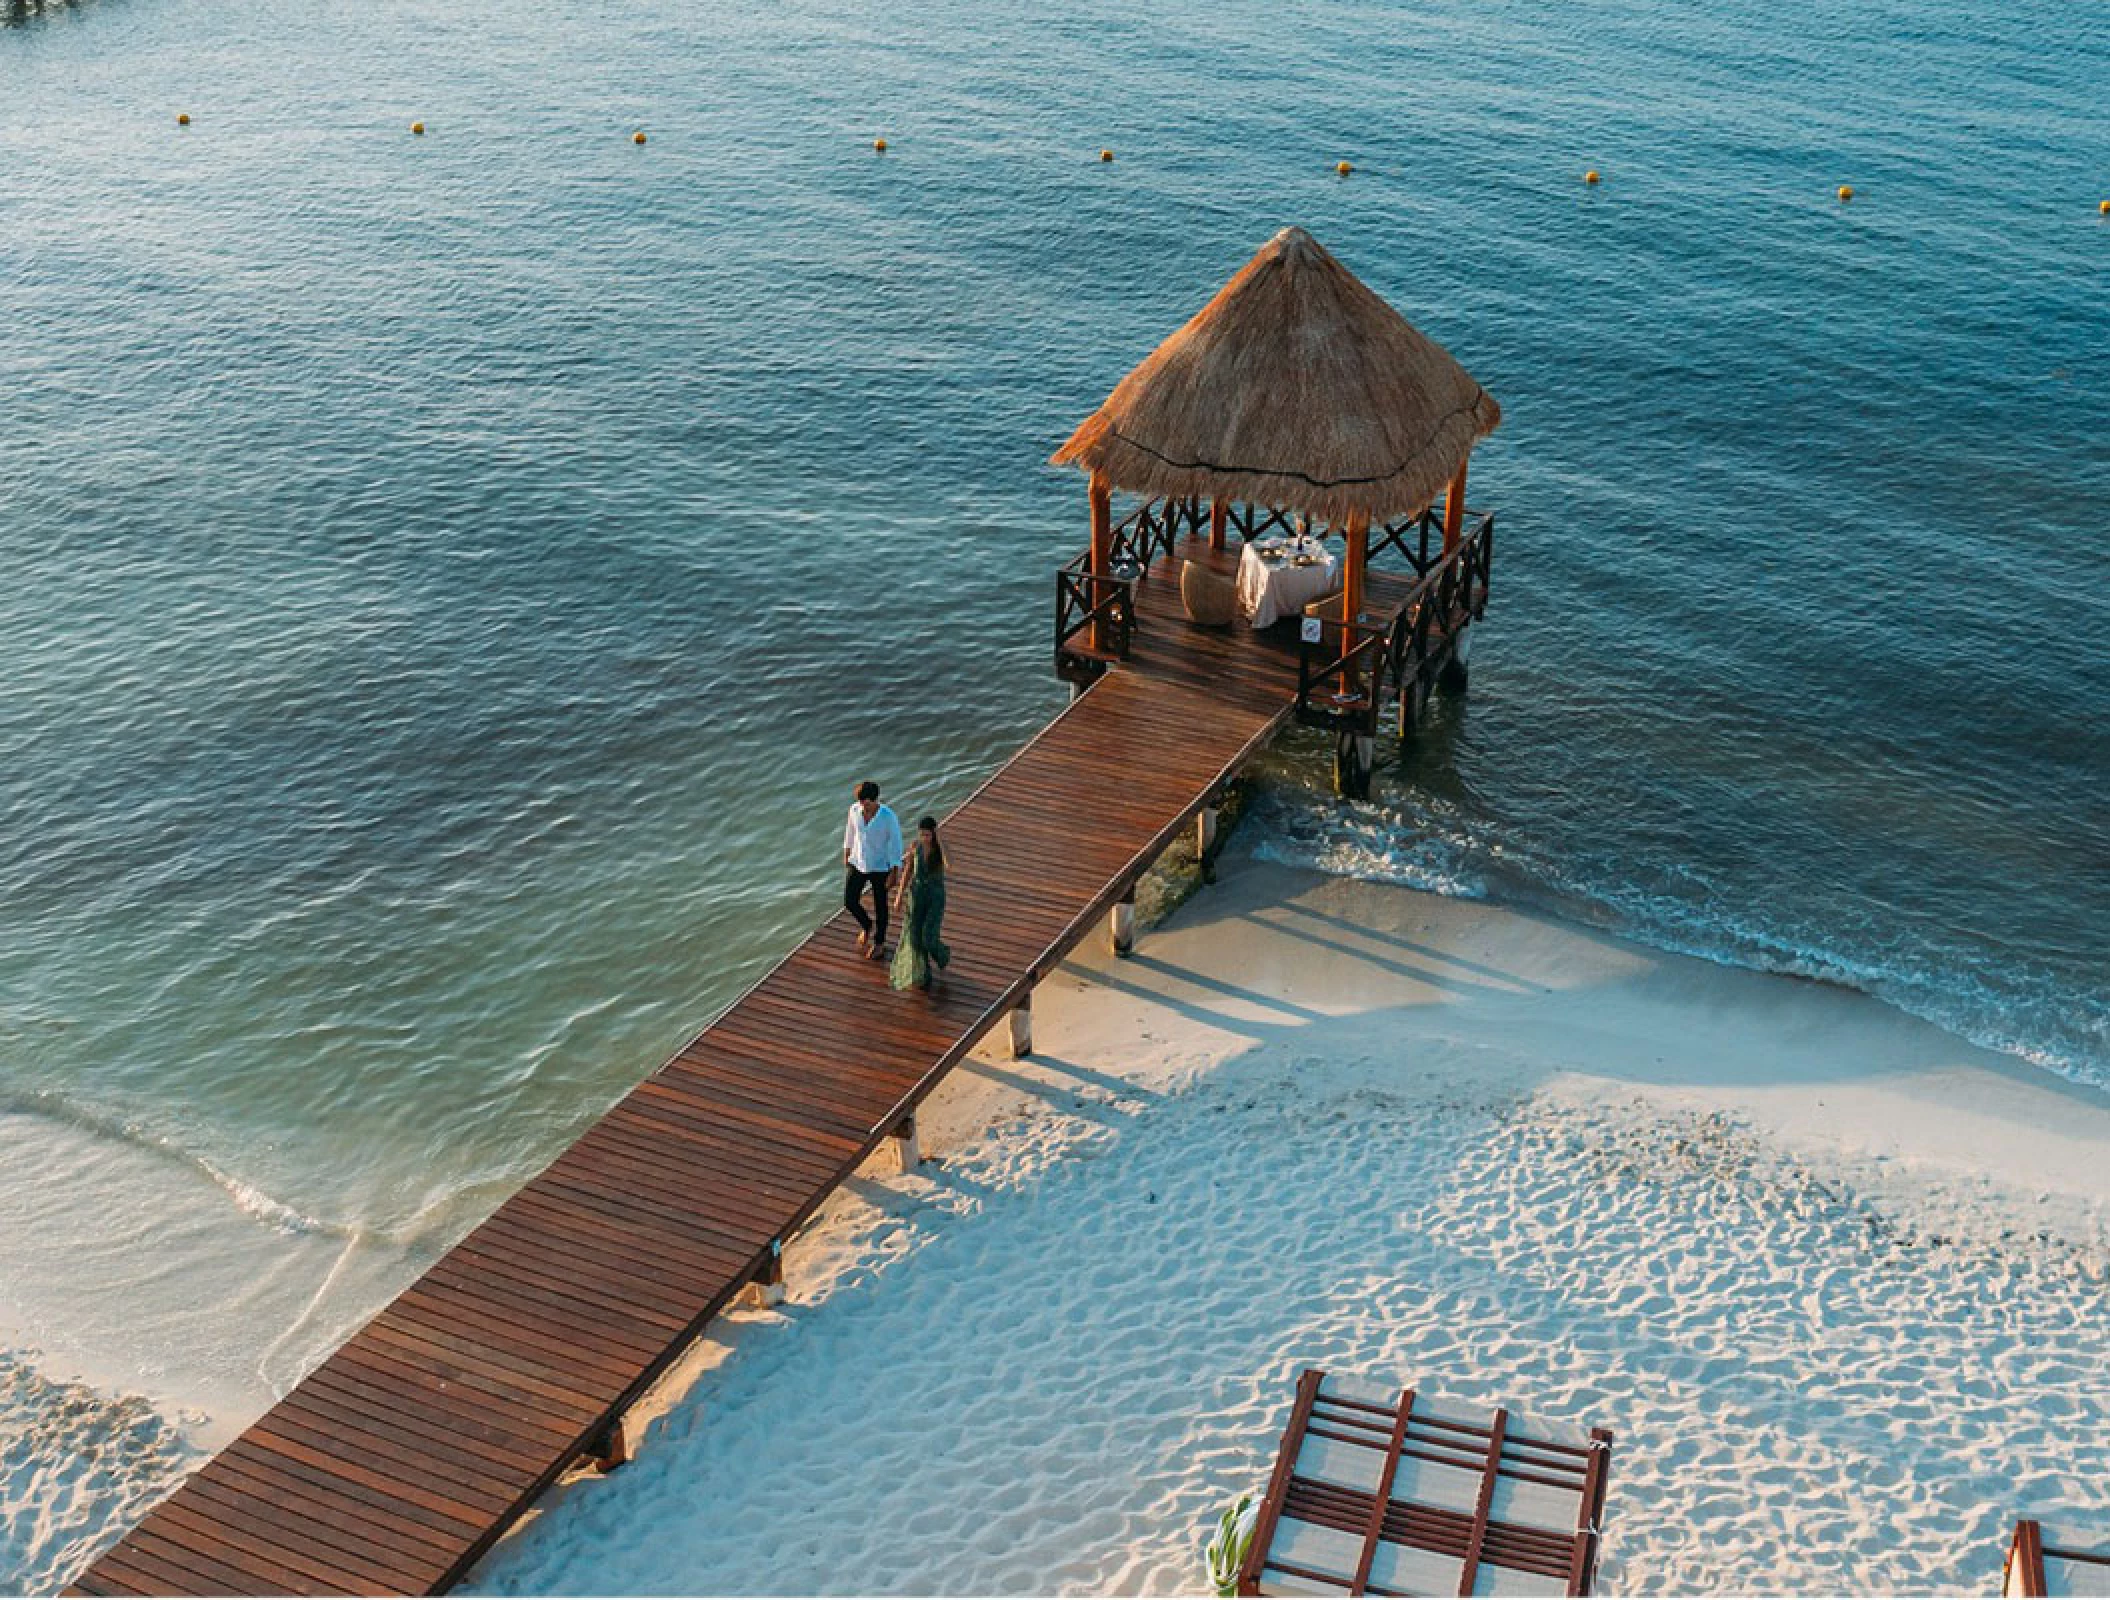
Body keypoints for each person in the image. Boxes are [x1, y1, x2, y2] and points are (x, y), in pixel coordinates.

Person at [842, 780, 904, 960]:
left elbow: (896, 844)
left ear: (875, 800)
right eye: (861, 801)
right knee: (850, 901)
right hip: (858, 862)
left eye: (867, 802)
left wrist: (895, 871)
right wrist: (846, 852)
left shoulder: (888, 817)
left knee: (881, 906)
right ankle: (867, 925)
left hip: (880, 866)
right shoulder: (854, 810)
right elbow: (850, 831)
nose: (863, 806)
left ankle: (879, 942)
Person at [891, 817, 952, 993]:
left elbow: (950, 866)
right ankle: (923, 973)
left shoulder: (940, 849)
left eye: (928, 834)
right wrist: (899, 896)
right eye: (922, 834)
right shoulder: (915, 847)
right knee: (915, 936)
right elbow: (908, 871)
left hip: (935, 897)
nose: (925, 838)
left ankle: (942, 954)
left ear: (934, 833)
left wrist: (939, 840)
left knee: (928, 936)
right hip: (916, 896)